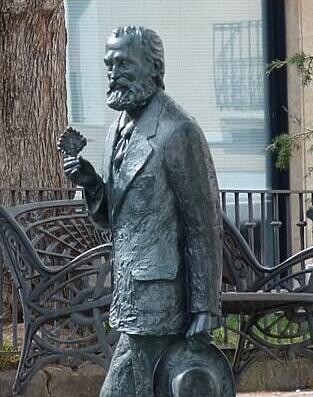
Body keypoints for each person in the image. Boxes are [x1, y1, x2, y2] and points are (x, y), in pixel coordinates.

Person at [61, 26, 222, 397]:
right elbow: (112, 221)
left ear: (153, 68)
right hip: (131, 295)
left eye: (123, 64)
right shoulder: (118, 129)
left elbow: (204, 225)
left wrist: (205, 307)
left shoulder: (177, 131)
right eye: (109, 64)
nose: (112, 72)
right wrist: (90, 184)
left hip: (164, 299)